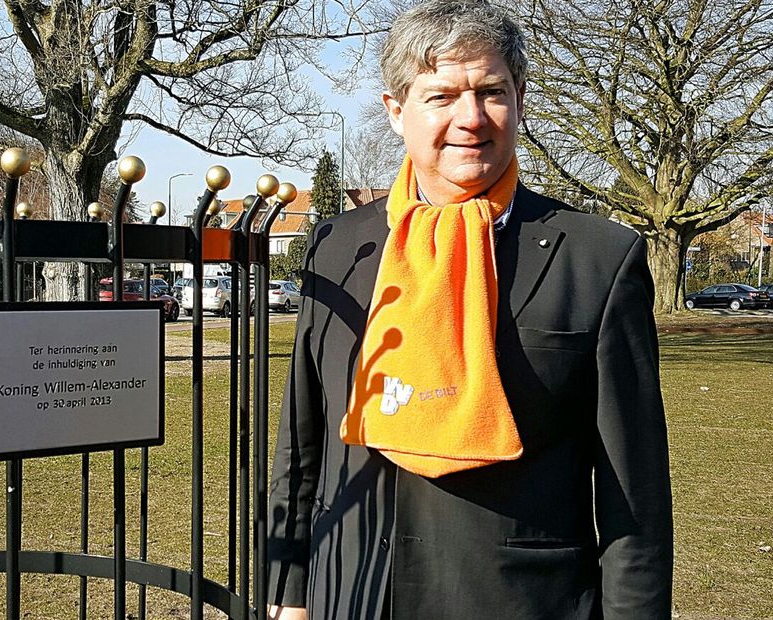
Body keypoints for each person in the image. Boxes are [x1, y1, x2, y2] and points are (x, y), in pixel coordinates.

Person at [266, 1, 673, 618]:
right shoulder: (337, 247)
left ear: (521, 98)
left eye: (491, 91)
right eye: (442, 96)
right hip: (349, 594)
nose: (471, 118)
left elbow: (634, 496)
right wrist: (287, 590)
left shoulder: (598, 260)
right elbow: (301, 442)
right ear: (396, 112)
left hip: (514, 600)